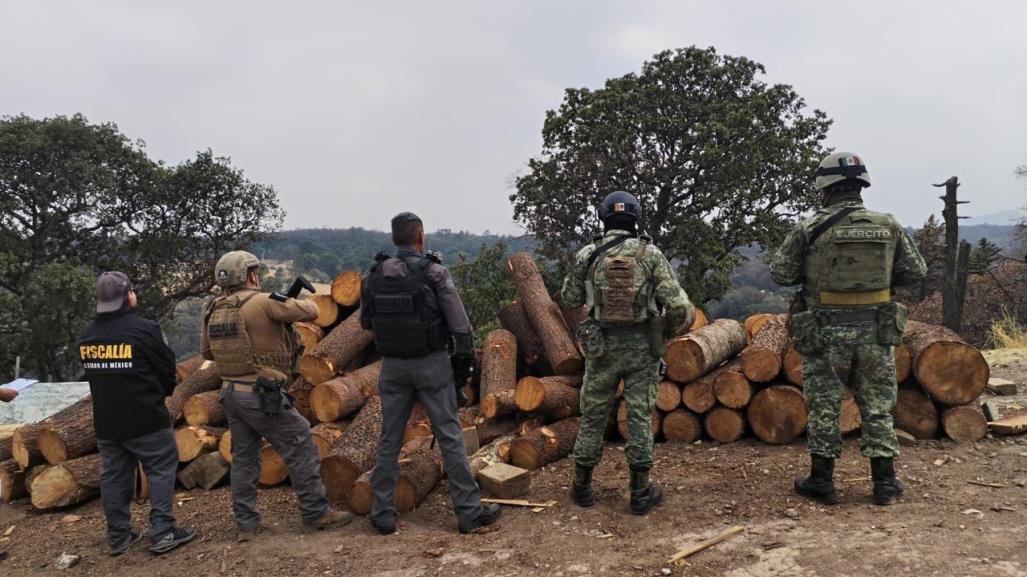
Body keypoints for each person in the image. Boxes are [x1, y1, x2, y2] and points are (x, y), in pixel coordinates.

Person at [770, 152, 927, 506]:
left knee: (825, 406)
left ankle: (822, 481)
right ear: (861, 185)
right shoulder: (888, 224)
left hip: (825, 333)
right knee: (877, 406)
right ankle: (885, 483)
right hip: (875, 331)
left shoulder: (810, 228)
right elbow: (916, 271)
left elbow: (781, 274)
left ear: (824, 188)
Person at [362, 212, 500, 534]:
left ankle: (382, 513)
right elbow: (461, 325)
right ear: (420, 237)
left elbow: (366, 324)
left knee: (389, 439)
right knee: (450, 437)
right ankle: (468, 512)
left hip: (392, 366)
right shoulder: (434, 272)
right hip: (431, 364)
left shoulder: (373, 275)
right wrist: (464, 359)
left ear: (395, 238)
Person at [202, 251, 351, 541]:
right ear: (249, 275)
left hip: (230, 393)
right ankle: (316, 513)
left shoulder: (214, 308)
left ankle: (246, 523)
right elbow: (312, 311)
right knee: (301, 443)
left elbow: (207, 353)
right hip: (260, 394)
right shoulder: (263, 301)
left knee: (244, 458)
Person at [561, 191, 694, 515]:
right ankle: (639, 492)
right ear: (636, 218)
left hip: (601, 349)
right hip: (641, 349)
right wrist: (664, 330)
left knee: (592, 417)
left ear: (603, 218)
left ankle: (582, 488)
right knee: (638, 418)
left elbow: (568, 298)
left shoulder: (589, 255)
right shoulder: (650, 255)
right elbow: (679, 306)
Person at [78, 271, 197, 556]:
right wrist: (160, 392)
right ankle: (163, 532)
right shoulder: (143, 329)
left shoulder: (87, 336)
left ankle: (118, 536)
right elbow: (167, 369)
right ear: (128, 296)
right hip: (146, 419)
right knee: (161, 470)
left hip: (107, 422)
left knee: (114, 477)